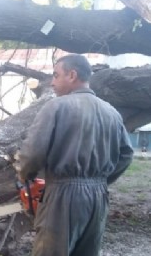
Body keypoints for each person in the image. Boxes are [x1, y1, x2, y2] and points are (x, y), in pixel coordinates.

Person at [18, 54, 134, 256]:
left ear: (72, 75)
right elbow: (126, 155)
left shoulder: (56, 106)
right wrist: (102, 180)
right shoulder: (111, 112)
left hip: (64, 196)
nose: (52, 83)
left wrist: (23, 175)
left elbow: (33, 153)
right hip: (98, 196)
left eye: (55, 75)